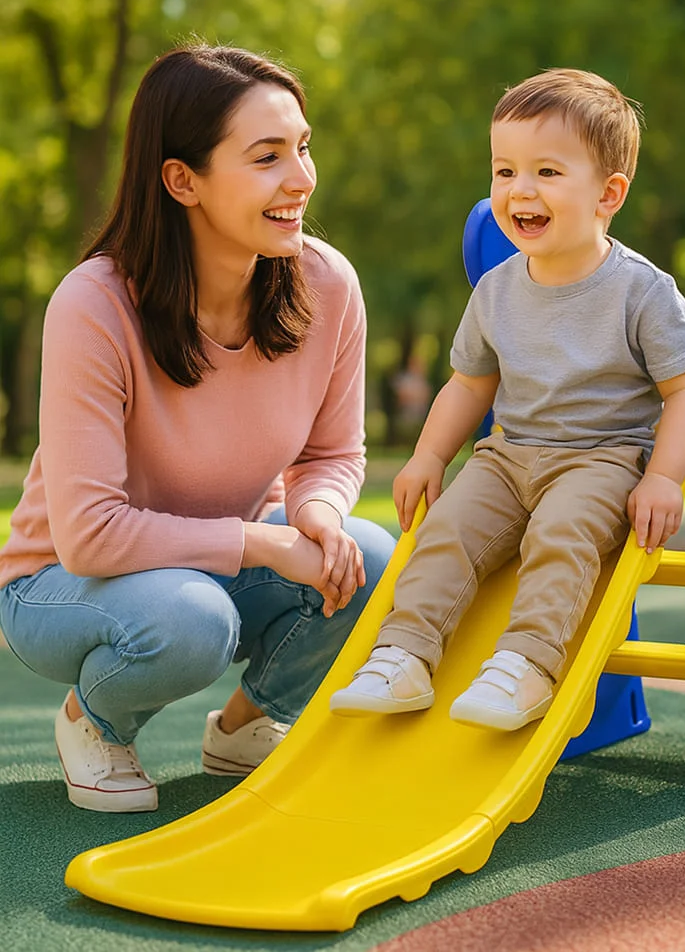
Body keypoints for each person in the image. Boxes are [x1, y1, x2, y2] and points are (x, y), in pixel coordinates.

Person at [0, 44, 396, 813]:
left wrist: (314, 519)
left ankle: (245, 726)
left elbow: (332, 453)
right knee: (191, 618)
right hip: (61, 587)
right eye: (266, 157)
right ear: (183, 180)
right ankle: (96, 720)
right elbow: (90, 535)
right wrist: (264, 543)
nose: (302, 178)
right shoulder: (93, 306)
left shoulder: (327, 284)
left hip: (208, 566)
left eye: (304, 148)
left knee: (370, 558)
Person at [330, 69, 685, 731]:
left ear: (608, 193)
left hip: (602, 461)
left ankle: (527, 665)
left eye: (546, 172)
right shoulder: (497, 289)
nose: (519, 190)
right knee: (444, 532)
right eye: (503, 171)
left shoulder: (642, 291)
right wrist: (428, 456)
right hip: (508, 458)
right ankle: (403, 655)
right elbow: (470, 384)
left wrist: (664, 479)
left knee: (561, 535)